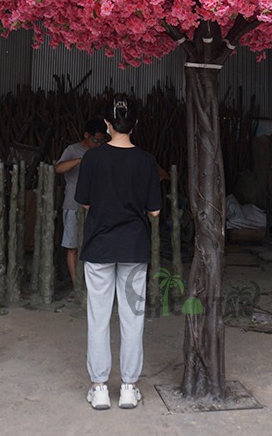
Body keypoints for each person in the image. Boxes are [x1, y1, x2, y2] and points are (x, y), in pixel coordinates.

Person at [75, 93, 162, 411]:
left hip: (99, 245)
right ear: (135, 123)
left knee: (98, 318)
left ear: (107, 124)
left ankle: (99, 388)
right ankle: (128, 387)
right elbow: (154, 210)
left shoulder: (92, 159)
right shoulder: (146, 161)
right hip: (134, 248)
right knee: (132, 318)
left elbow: (84, 202)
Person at [54, 119, 108, 297]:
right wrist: (79, 161)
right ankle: (77, 285)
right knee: (72, 246)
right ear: (86, 135)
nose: (99, 144)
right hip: (73, 204)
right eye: (96, 140)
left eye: (102, 141)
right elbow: (58, 168)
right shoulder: (72, 150)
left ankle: (93, 284)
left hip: (96, 206)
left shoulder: (102, 152)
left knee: (95, 244)